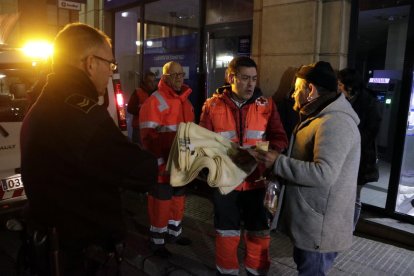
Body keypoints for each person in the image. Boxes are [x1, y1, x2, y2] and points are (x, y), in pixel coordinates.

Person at [20, 23, 157, 275]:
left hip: (55, 244)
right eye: (110, 64)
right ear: (90, 62)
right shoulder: (76, 111)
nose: (110, 72)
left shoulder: (47, 99)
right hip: (78, 256)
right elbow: (137, 169)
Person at [252, 61, 361, 276]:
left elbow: (324, 173)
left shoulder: (334, 122)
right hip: (314, 223)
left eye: (296, 88)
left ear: (310, 89)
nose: (292, 95)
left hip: (320, 228)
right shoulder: (319, 116)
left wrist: (278, 162)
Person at [199, 56, 288, 276]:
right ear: (231, 77)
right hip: (225, 182)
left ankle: (256, 271)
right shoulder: (211, 106)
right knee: (226, 232)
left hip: (256, 182)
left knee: (258, 231)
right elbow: (203, 142)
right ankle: (227, 271)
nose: (251, 84)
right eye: (245, 78)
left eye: (254, 79)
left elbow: (280, 137)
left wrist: (270, 152)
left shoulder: (267, 105)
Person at [139, 61, 194, 257]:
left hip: (181, 164)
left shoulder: (185, 101)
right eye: (174, 75)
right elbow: (147, 136)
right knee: (160, 203)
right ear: (165, 77)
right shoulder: (155, 101)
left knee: (178, 200)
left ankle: (174, 234)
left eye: (181, 74)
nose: (179, 78)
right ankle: (157, 242)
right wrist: (163, 161)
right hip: (162, 165)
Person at [337, 68, 382, 229]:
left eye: (340, 84)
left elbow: (370, 133)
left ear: (350, 85)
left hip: (362, 158)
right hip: (347, 155)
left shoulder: (370, 102)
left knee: (354, 197)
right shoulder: (344, 100)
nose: (338, 87)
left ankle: (349, 230)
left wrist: (350, 141)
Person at [127, 70, 157, 145]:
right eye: (150, 81)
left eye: (154, 81)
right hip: (139, 130)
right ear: (145, 82)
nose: (152, 84)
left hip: (154, 129)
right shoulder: (138, 92)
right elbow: (130, 108)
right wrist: (144, 110)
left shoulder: (157, 94)